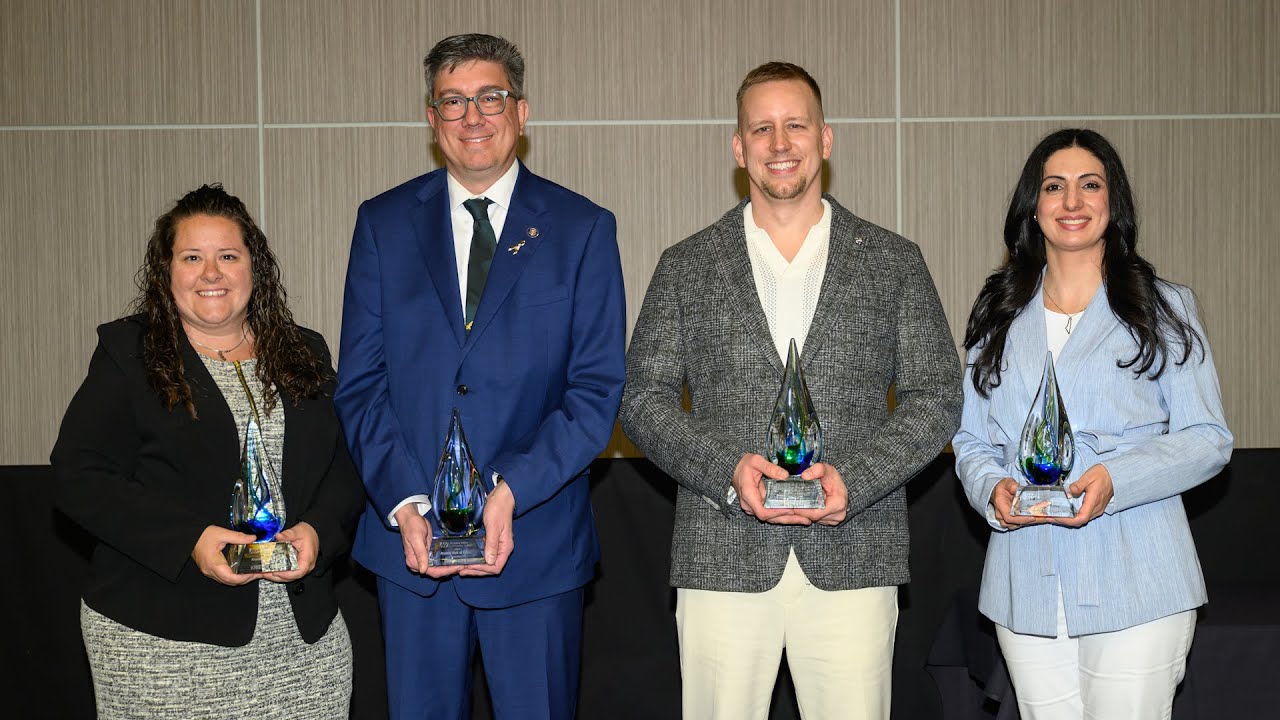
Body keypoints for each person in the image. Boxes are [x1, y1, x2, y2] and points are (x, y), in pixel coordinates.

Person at [619, 61, 962, 720]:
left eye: (796, 125)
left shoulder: (893, 261)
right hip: (722, 550)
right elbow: (642, 398)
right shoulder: (686, 264)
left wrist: (854, 482)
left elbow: (937, 394)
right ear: (738, 146)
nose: (780, 144)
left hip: (855, 548)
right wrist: (728, 470)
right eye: (762, 128)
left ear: (825, 139)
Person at [333, 33, 625, 719]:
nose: (473, 117)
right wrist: (404, 503)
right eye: (453, 101)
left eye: (489, 98)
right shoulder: (381, 224)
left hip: (536, 547)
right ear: (431, 120)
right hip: (413, 550)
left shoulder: (583, 229)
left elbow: (596, 391)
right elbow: (362, 383)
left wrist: (509, 492)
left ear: (521, 111)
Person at [50, 184, 366, 719]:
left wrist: (318, 532)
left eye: (228, 256)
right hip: (161, 640)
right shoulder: (129, 353)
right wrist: (191, 540)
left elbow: (344, 466)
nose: (211, 272)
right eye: (192, 257)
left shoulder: (304, 351)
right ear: (166, 271)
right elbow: (78, 476)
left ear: (254, 268)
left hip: (301, 643)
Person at [952, 128, 1233, 719]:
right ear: (1034, 205)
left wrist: (1116, 478)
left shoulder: (1165, 308)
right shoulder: (996, 313)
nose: (1072, 202)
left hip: (1140, 578)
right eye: (1054, 187)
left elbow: (1209, 440)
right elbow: (970, 440)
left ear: (1114, 202)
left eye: (1090, 185)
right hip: (1024, 583)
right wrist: (989, 489)